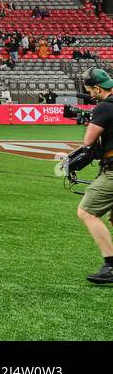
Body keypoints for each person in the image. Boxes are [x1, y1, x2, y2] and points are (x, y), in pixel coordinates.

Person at [75, 68, 113, 284]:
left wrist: (89, 121)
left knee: (87, 211)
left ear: (98, 88)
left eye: (91, 90)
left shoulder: (104, 108)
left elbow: (88, 142)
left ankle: (110, 265)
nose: (90, 94)